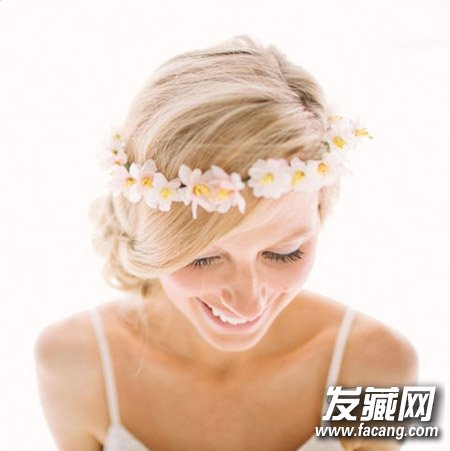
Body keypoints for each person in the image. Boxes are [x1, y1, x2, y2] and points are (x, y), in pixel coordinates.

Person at [34, 35, 418, 450]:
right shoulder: (72, 363)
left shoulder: (381, 367)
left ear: (321, 213)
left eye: (284, 253)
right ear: (153, 237)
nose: (248, 304)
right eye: (203, 259)